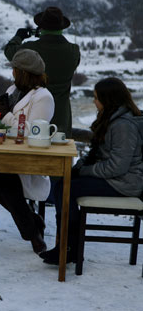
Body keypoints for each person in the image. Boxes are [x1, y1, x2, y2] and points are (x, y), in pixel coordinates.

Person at [40, 77, 143, 264]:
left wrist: (85, 171)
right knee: (63, 184)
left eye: (96, 98)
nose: (94, 102)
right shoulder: (112, 118)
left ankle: (69, 247)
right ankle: (68, 245)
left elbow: (117, 166)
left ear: (108, 99)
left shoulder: (123, 125)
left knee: (65, 188)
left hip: (125, 183)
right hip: (116, 179)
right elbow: (98, 154)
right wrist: (79, 168)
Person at [0, 49, 55, 254]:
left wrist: (6, 116)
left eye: (15, 69)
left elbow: (31, 132)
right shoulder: (13, 90)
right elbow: (0, 125)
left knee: (1, 177)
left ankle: (30, 231)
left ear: (23, 72)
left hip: (28, 158)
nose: (12, 73)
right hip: (6, 153)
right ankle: (32, 224)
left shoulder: (43, 97)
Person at [4, 6, 80, 138]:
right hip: (61, 118)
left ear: (41, 27)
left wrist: (18, 37)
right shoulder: (73, 51)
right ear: (61, 28)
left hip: (31, 113)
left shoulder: (30, 49)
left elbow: (10, 51)